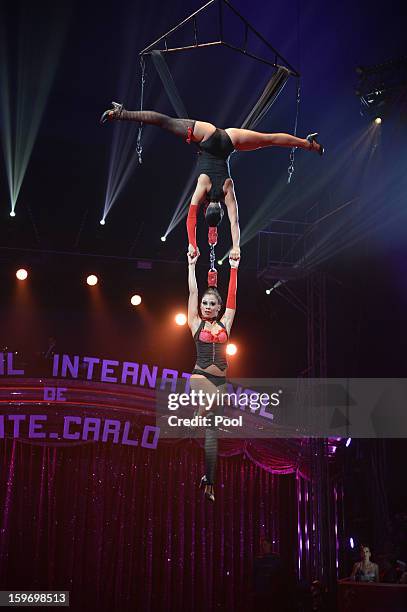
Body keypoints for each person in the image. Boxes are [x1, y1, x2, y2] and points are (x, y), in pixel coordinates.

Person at [101, 104, 324, 259]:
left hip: (228, 140)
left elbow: (235, 223)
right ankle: (121, 113)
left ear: (220, 209)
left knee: (270, 140)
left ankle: (308, 144)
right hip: (206, 137)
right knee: (164, 122)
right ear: (207, 206)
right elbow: (191, 219)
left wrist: (236, 245)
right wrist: (192, 243)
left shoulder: (228, 189)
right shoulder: (203, 186)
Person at [186, 249, 239, 501]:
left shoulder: (225, 323)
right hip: (199, 376)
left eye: (211, 304)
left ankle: (209, 479)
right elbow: (193, 291)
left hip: (220, 382)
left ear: (219, 308)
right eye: (204, 303)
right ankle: (199, 411)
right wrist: (191, 265)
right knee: (209, 403)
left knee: (212, 433)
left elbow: (232, 295)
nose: (207, 306)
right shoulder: (195, 323)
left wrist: (234, 267)